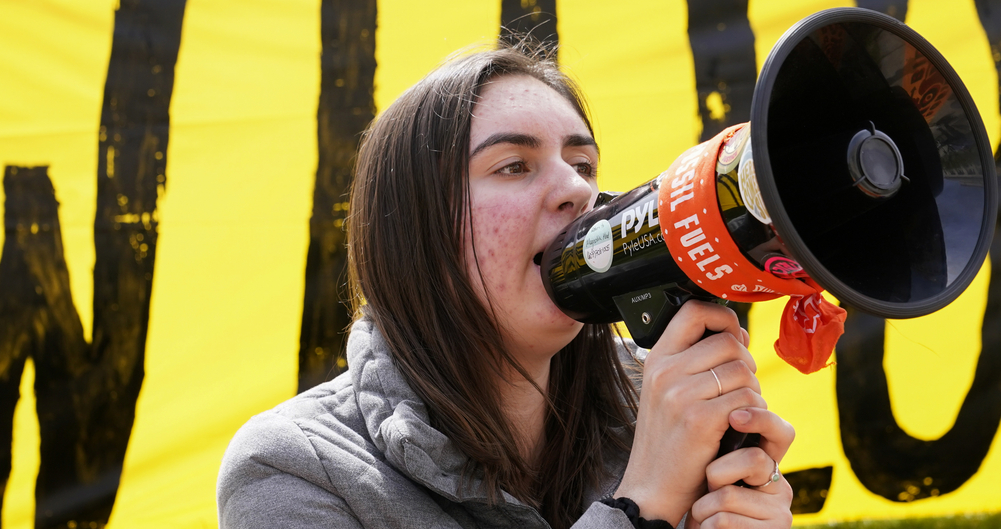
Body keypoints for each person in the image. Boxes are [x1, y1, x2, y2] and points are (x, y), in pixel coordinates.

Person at [217, 45, 796, 528]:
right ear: (416, 230)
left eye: (584, 164)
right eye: (514, 166)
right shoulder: (293, 467)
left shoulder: (659, 406)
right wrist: (641, 507)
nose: (576, 190)